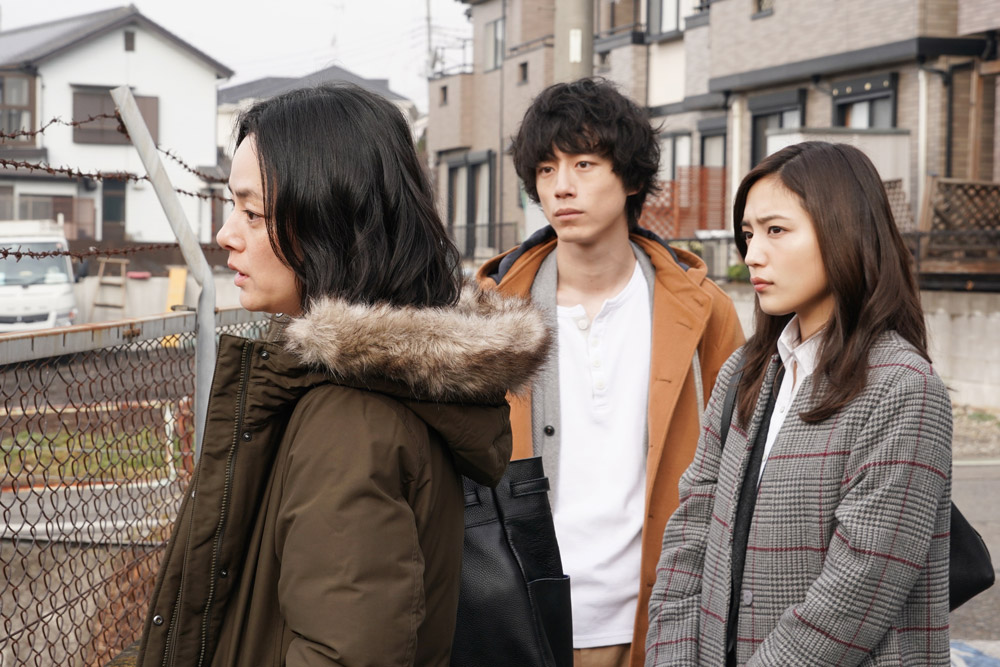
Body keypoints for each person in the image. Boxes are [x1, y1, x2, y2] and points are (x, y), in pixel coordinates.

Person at [136, 84, 550, 667]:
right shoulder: (351, 389)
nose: (227, 234)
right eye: (232, 206)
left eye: (252, 213)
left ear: (331, 222)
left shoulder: (351, 422)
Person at [646, 141, 952, 666]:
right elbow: (691, 532)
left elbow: (857, 593)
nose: (752, 254)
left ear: (843, 231)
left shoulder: (902, 387)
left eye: (776, 230)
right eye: (748, 234)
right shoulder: (746, 371)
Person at [477, 77, 745, 667]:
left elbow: (740, 466)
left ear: (630, 178)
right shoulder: (490, 312)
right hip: (520, 620)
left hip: (662, 620)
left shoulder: (703, 311)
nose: (561, 186)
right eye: (545, 169)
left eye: (584, 164)